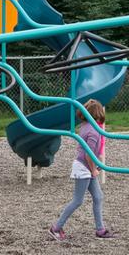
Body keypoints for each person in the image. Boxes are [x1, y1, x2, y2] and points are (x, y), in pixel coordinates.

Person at [47, 99, 112, 242]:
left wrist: (95, 165)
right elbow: (88, 154)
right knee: (78, 200)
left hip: (86, 166)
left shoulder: (86, 126)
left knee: (98, 197)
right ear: (98, 114)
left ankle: (100, 229)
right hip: (84, 167)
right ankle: (56, 228)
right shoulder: (94, 132)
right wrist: (94, 169)